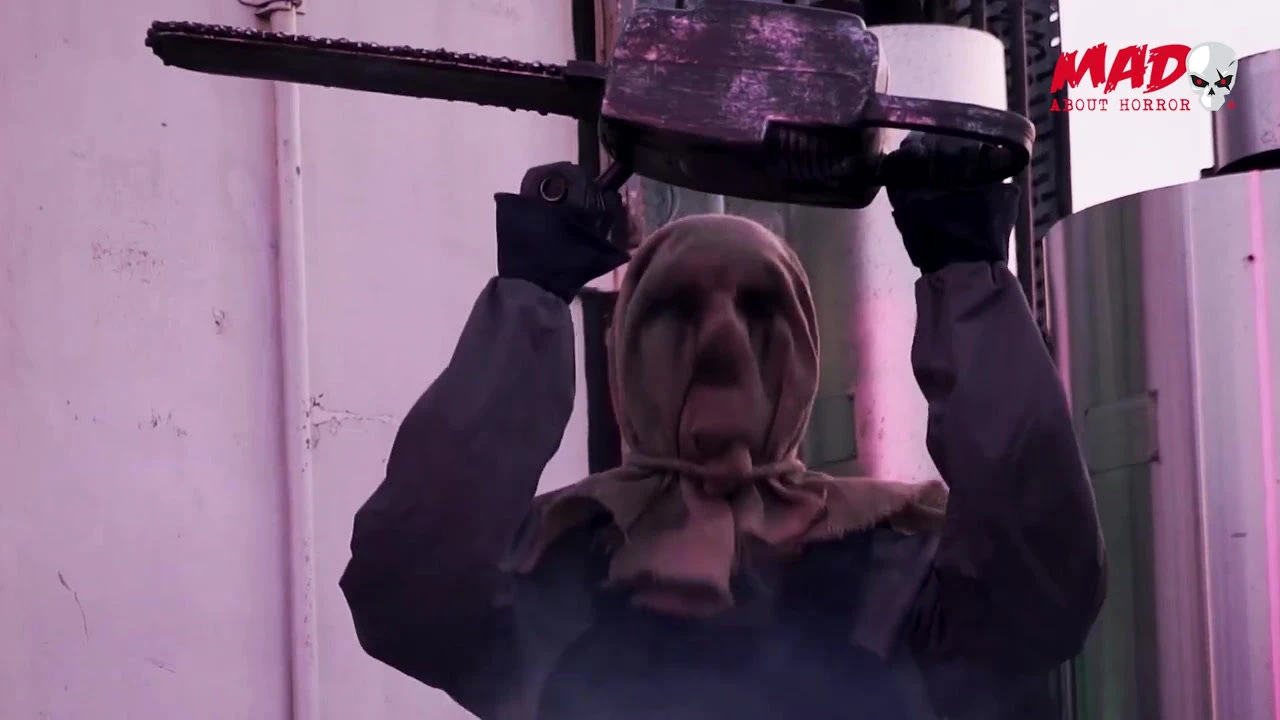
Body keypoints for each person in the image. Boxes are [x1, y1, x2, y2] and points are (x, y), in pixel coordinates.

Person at [338, 135, 1106, 720]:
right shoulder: (555, 559)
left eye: (759, 307)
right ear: (627, 350)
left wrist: (967, 277)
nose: (722, 341)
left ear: (805, 349)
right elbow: (407, 595)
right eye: (677, 309)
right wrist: (529, 305)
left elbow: (1044, 588)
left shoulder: (895, 559)